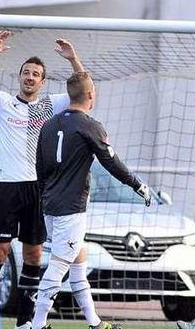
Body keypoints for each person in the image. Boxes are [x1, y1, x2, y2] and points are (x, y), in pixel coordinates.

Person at [0, 31, 85, 329]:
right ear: (19, 77)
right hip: (8, 187)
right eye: (26, 73)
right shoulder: (3, 102)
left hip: (39, 189)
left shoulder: (51, 105)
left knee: (33, 255)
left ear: (43, 81)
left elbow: (85, 91)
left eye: (35, 74)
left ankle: (26, 321)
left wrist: (73, 59)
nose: (30, 77)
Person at [32, 71, 151, 329]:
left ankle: (95, 323)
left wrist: (46, 197)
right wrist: (137, 184)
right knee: (59, 264)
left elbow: (39, 168)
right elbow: (111, 162)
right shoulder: (90, 126)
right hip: (70, 209)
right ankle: (37, 324)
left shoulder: (49, 125)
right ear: (90, 95)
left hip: (51, 206)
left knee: (78, 260)